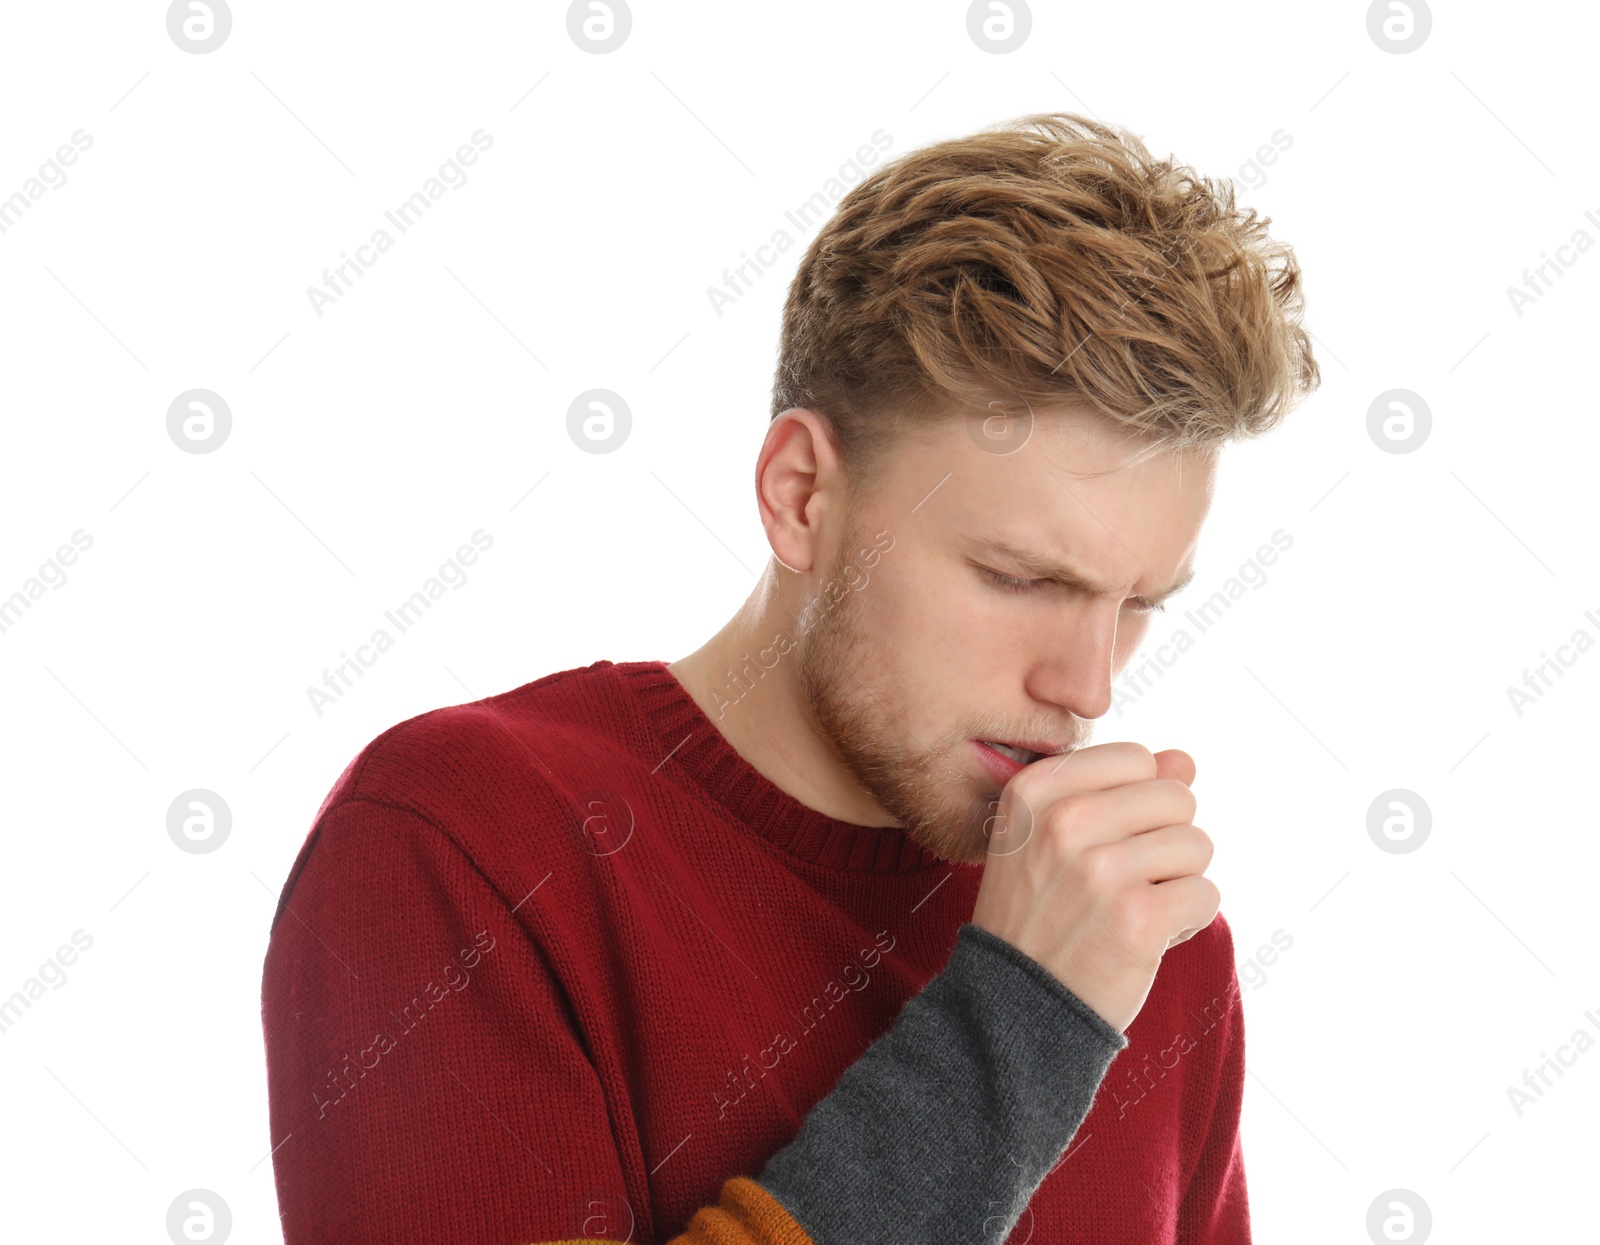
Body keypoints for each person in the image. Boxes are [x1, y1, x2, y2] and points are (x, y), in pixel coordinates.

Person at [261, 111, 1319, 1244]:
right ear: (802, 495)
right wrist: (1022, 1022)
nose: (1088, 684)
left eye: (1139, 604)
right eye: (1016, 577)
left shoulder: (1139, 937)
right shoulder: (465, 842)